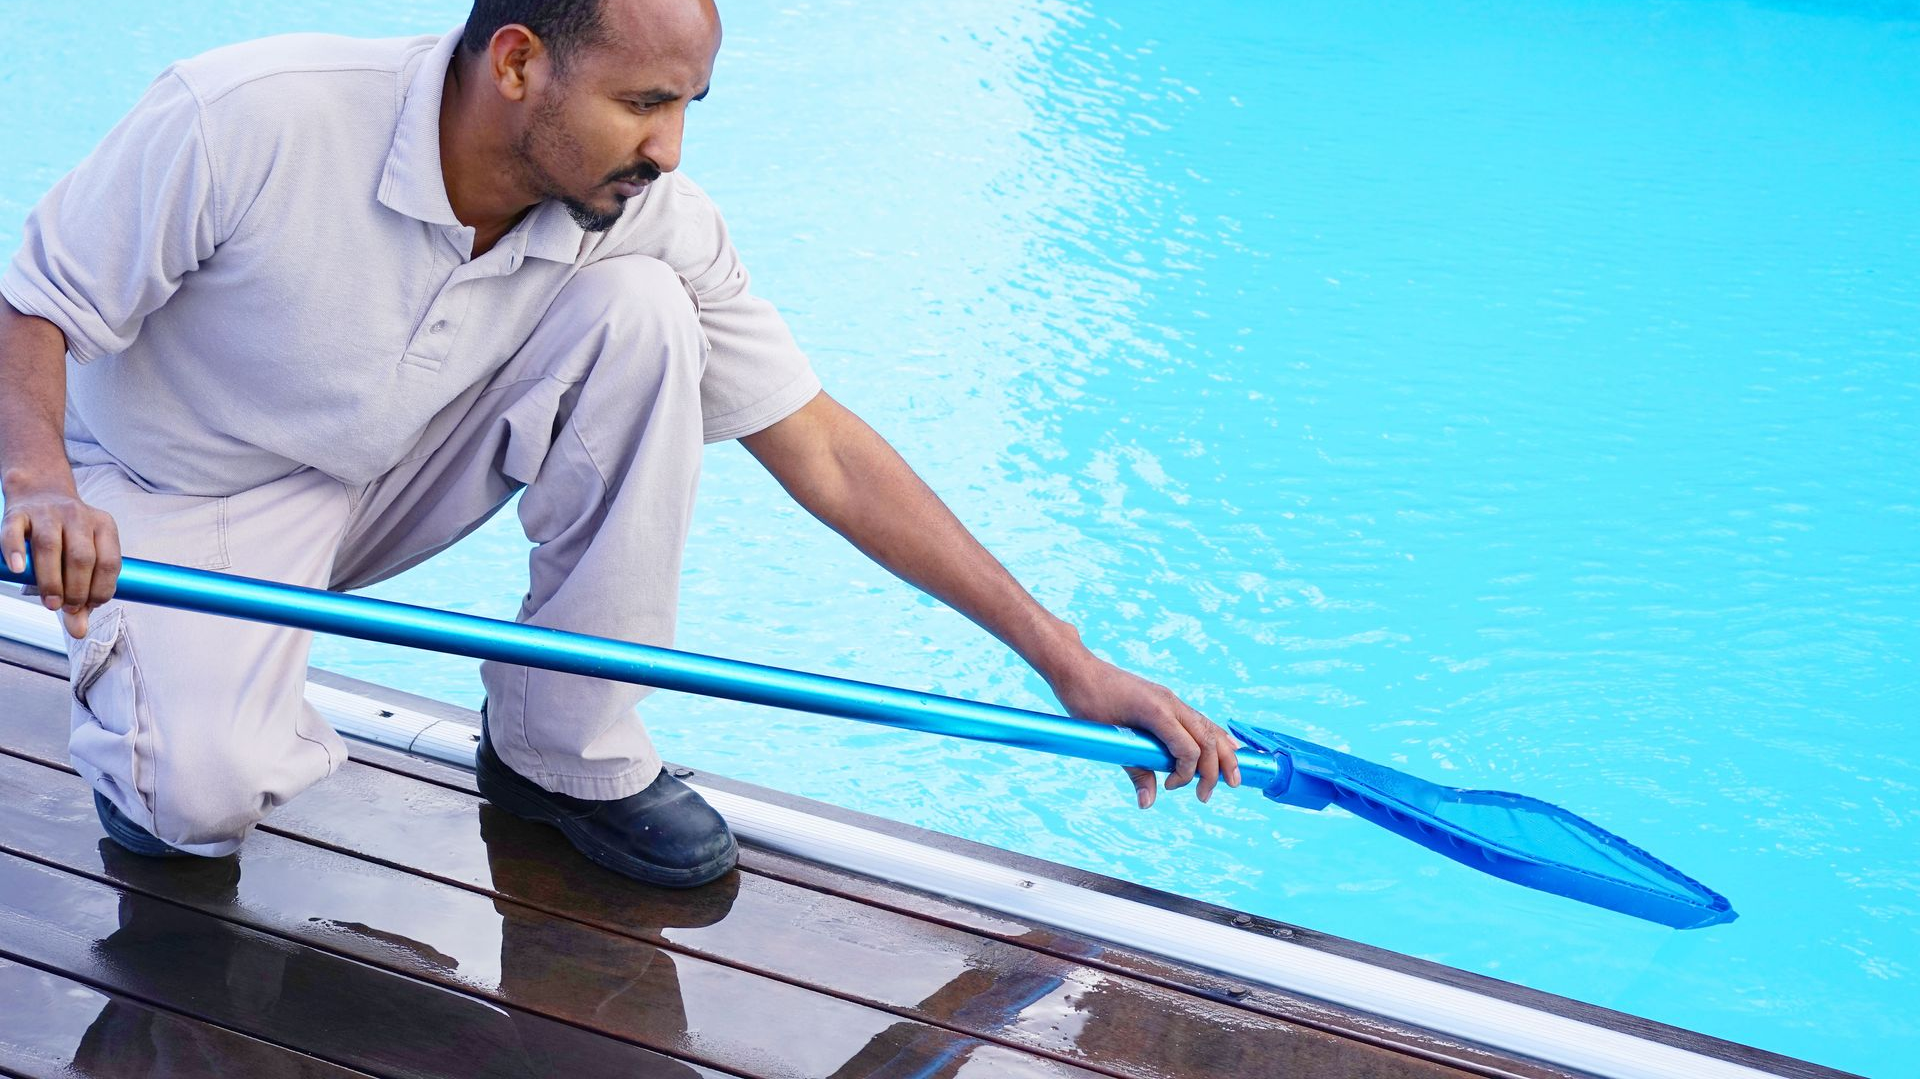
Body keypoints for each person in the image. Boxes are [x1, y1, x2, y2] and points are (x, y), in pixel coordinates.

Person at [0, 0, 1241, 887]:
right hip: (184, 498)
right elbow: (35, 301)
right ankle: (168, 714)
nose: (672, 148)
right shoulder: (248, 116)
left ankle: (564, 749)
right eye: (645, 103)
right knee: (195, 809)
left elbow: (819, 445)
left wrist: (1066, 661)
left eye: (688, 105)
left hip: (391, 474)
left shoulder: (648, 215)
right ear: (520, 62)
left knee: (645, 321)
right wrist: (43, 484)